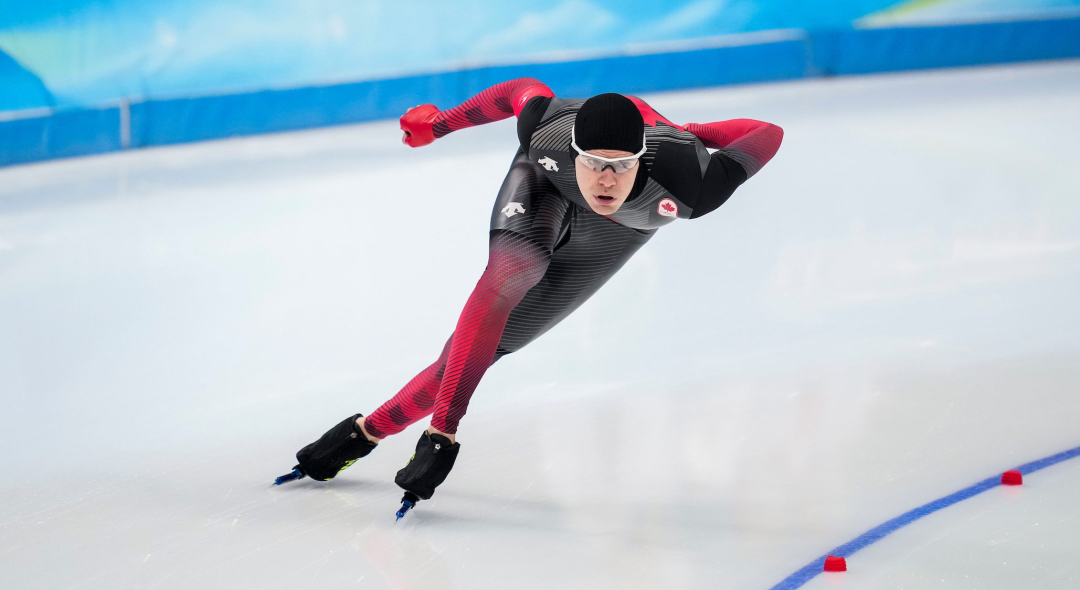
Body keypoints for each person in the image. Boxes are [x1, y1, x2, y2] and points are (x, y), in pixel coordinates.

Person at [280, 78, 784, 511]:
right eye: (593, 162)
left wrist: (694, 131)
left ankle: (365, 432)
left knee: (475, 354)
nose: (605, 181)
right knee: (513, 269)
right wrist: (440, 124)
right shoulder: (548, 129)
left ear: (642, 159)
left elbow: (768, 132)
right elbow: (519, 92)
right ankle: (440, 431)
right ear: (575, 150)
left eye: (621, 165)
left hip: (620, 231)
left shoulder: (692, 183)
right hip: (544, 186)